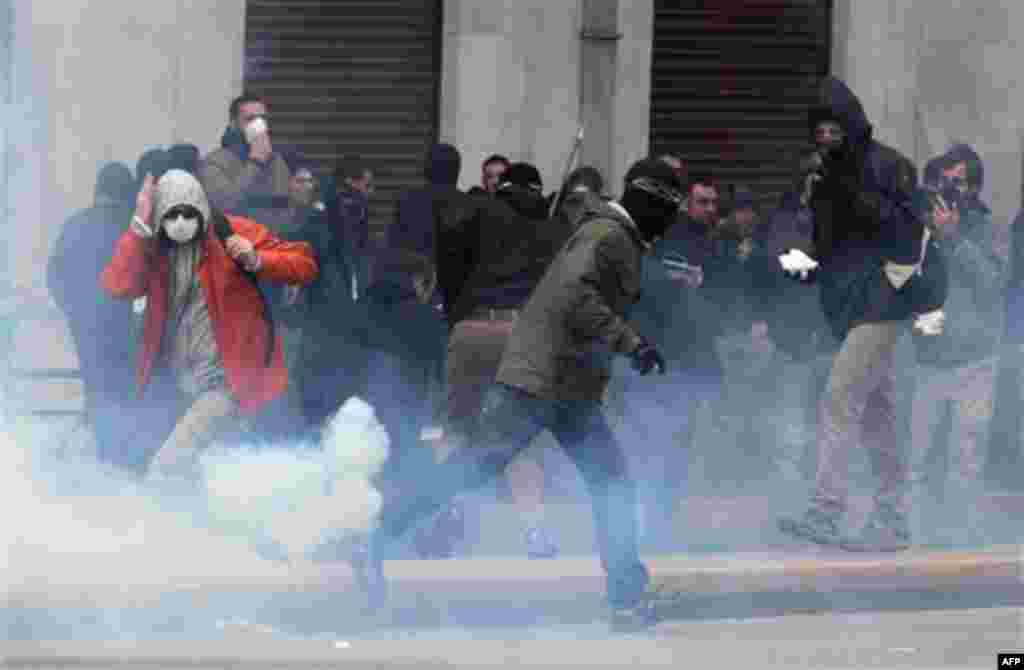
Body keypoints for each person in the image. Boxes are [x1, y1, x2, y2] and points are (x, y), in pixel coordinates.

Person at [354, 157, 683, 632]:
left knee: (605, 481)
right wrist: (632, 343)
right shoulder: (607, 235)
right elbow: (575, 297)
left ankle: (627, 597)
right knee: (477, 468)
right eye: (669, 209)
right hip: (542, 382)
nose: (671, 222)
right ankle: (376, 535)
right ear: (651, 200)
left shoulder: (614, 235)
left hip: (566, 385)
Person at [777, 76, 946, 552]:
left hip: (884, 300)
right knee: (877, 415)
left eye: (834, 130)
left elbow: (908, 236)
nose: (826, 139)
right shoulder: (821, 176)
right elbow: (827, 244)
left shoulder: (889, 166)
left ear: (851, 126)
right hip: (849, 304)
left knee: (840, 397)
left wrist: (853, 193)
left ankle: (826, 510)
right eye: (819, 131)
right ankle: (892, 519)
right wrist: (800, 262)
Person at [100, 169, 318, 479]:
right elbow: (117, 286)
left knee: (165, 470)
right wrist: (138, 223)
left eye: (187, 213)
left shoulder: (231, 231)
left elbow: (304, 264)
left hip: (226, 385)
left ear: (200, 208)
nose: (180, 222)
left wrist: (257, 259)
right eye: (171, 214)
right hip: (179, 388)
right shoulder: (153, 246)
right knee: (211, 476)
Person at [438, 162, 573, 559]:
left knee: (458, 428)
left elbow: (449, 261)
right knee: (520, 436)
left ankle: (443, 514)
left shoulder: (475, 213)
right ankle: (534, 532)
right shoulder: (553, 226)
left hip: (473, 328)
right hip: (524, 333)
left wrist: (458, 312)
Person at [909, 150, 1004, 547]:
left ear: (975, 188)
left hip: (975, 361)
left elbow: (994, 285)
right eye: (944, 181)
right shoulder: (921, 227)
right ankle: (913, 532)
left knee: (965, 455)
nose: (950, 190)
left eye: (959, 182)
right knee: (917, 454)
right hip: (928, 358)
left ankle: (960, 535)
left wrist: (955, 240)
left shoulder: (987, 228)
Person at [47, 163, 139, 471]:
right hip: (122, 320)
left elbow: (54, 274)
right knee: (123, 386)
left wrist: (73, 309)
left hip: (85, 322)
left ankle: (103, 452)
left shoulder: (74, 225)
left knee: (96, 384)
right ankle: (121, 456)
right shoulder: (130, 226)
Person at [200, 93, 295, 233]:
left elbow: (288, 205)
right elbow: (225, 205)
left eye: (263, 119)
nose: (259, 125)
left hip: (275, 240)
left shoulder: (276, 160)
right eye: (250, 119)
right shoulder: (214, 162)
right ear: (233, 124)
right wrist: (255, 163)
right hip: (240, 240)